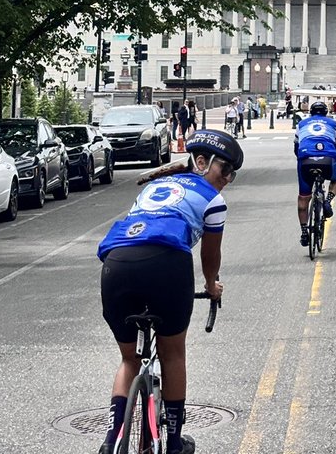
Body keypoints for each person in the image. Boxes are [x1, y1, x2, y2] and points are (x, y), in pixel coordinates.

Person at [97, 128, 243, 454]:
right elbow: (210, 257)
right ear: (202, 162)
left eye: (232, 173)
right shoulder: (213, 201)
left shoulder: (153, 187)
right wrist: (211, 286)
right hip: (166, 265)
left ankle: (111, 441)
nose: (227, 179)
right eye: (225, 170)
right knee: (172, 353)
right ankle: (175, 442)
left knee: (129, 360)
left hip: (116, 264)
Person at [294, 101, 336, 247]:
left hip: (306, 160)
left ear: (311, 112)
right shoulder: (333, 123)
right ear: (326, 112)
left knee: (303, 198)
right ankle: (328, 200)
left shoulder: (302, 124)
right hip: (328, 159)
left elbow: (296, 147)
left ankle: (304, 232)